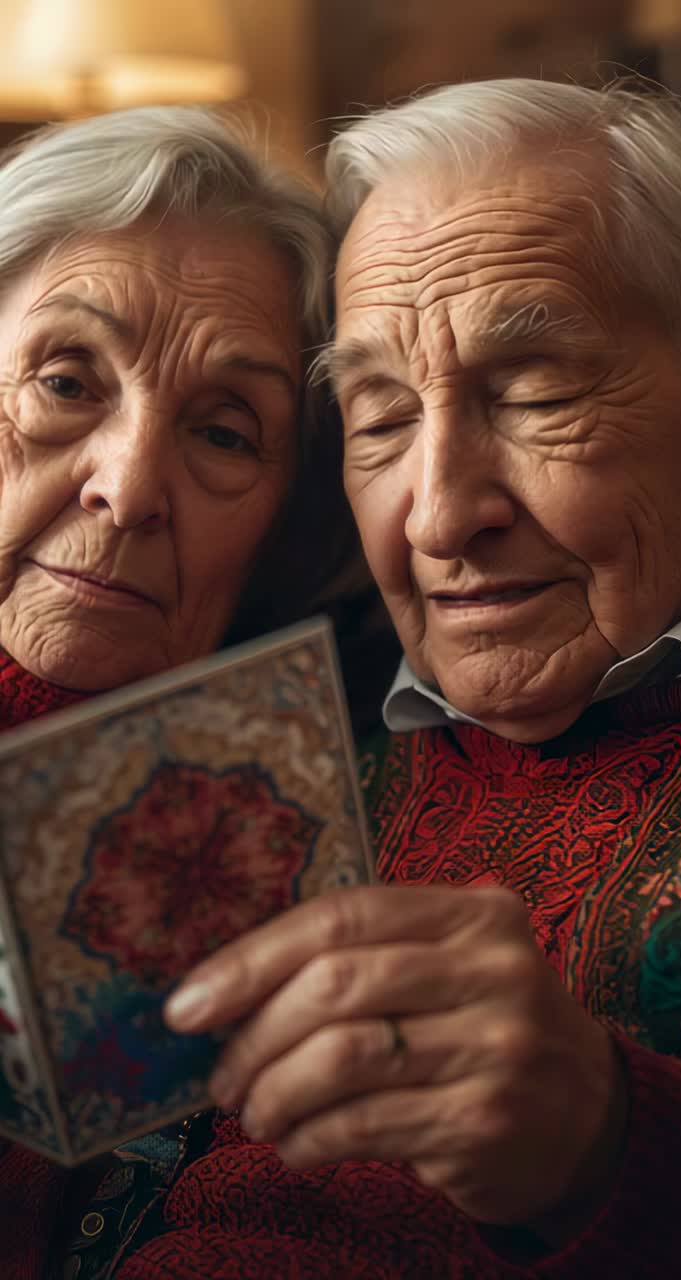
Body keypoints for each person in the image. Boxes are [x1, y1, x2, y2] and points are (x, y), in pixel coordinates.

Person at [156, 81, 681, 1278]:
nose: (441, 513)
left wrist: (612, 1145)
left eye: (536, 390)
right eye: (382, 415)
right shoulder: (284, 756)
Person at [0, 103, 372, 1279]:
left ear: (286, 522)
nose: (131, 481)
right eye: (66, 378)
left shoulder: (299, 823)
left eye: (224, 430)